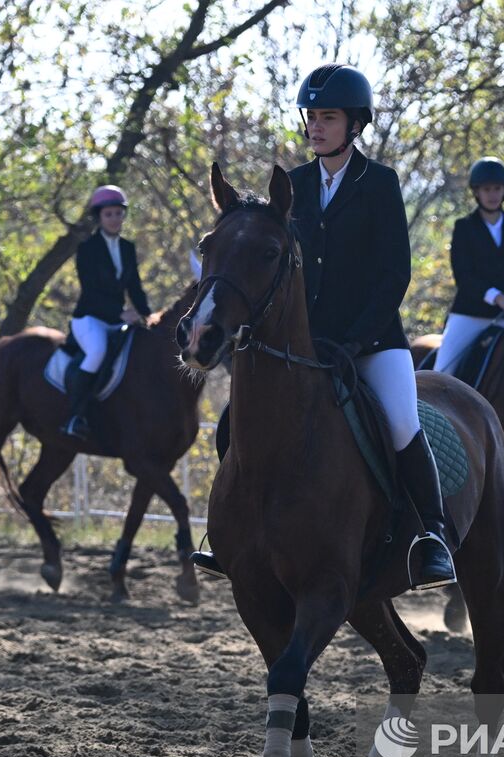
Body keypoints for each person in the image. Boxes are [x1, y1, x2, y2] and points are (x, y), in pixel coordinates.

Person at [193, 63, 457, 589]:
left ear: (354, 124)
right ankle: (232, 534)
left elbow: (394, 274)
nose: (316, 126)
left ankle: (433, 535)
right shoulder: (292, 185)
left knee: (401, 422)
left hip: (372, 342)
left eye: (328, 117)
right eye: (311, 117)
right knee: (233, 421)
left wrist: (356, 339)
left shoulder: (379, 183)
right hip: (306, 343)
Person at [434, 157, 504, 372]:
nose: (492, 195)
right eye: (486, 189)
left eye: (497, 188)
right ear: (476, 192)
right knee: (443, 371)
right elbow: (463, 276)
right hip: (469, 316)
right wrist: (497, 298)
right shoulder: (464, 227)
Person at [61, 185, 150, 440]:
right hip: (89, 318)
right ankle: (75, 416)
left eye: (118, 213)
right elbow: (90, 290)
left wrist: (149, 316)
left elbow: (135, 288)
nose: (114, 219)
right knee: (97, 351)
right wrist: (120, 315)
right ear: (99, 217)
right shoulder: (87, 248)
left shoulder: (128, 247)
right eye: (109, 214)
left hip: (116, 318)